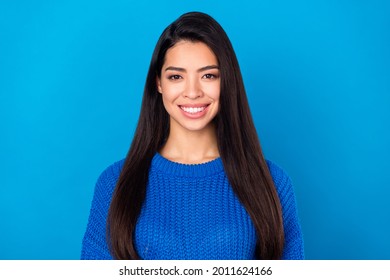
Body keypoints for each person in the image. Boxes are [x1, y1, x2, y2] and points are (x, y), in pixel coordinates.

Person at [81, 11, 304, 260]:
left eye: (208, 75)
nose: (192, 92)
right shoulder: (114, 183)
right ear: (159, 83)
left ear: (226, 81)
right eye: (176, 76)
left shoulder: (272, 182)